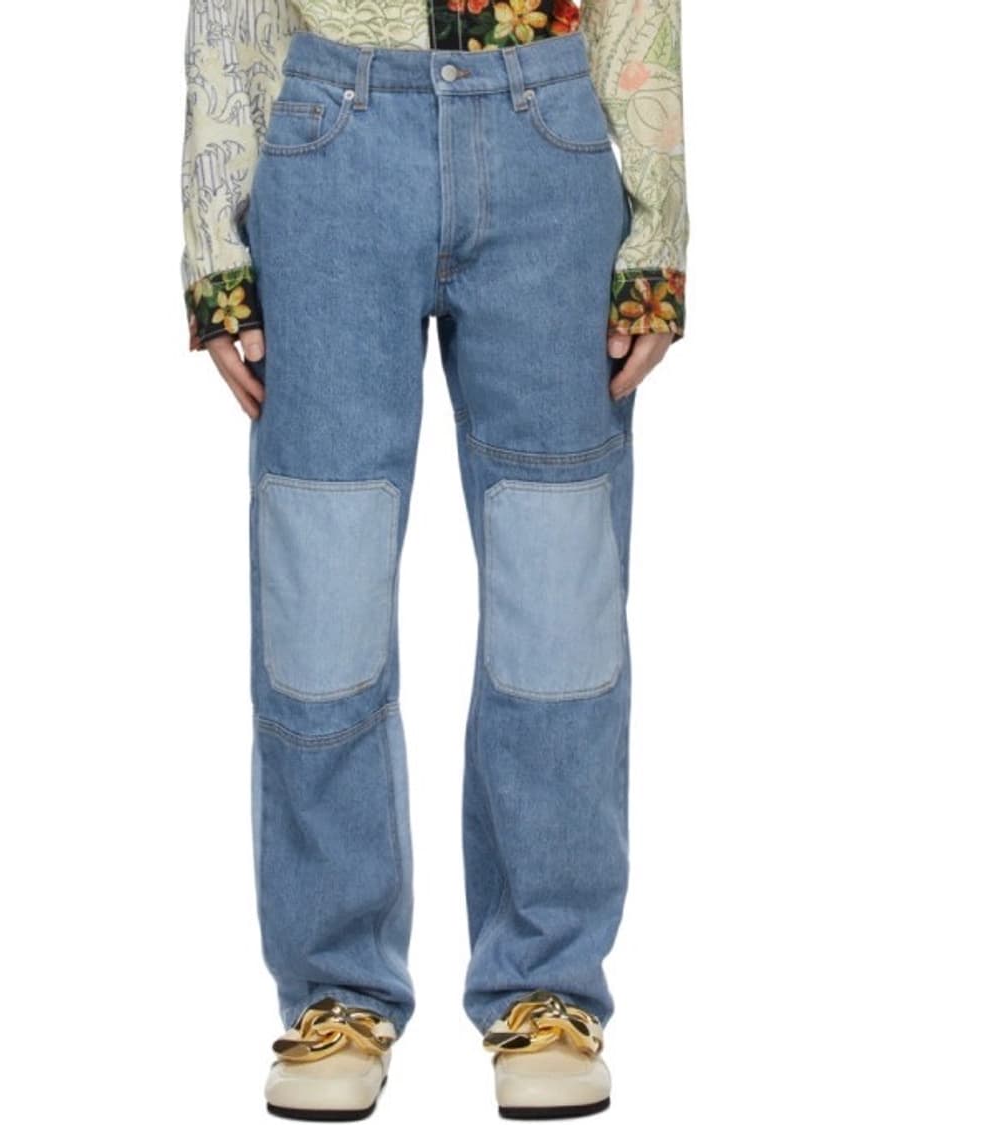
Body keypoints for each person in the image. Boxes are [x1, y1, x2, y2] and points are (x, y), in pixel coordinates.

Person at [179, 2, 687, 1119]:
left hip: (548, 140)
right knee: (322, 594)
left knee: (560, 603)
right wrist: (216, 248)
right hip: (328, 142)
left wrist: (657, 232)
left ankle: (548, 987)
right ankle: (337, 992)